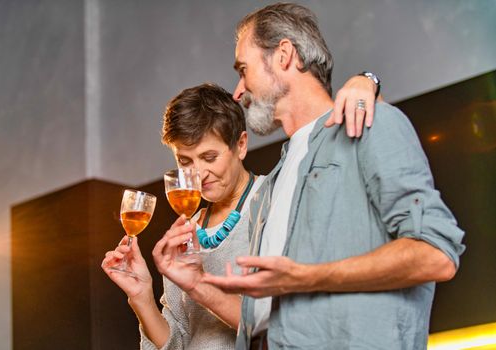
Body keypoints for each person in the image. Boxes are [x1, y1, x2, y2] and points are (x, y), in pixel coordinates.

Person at [202, 3, 466, 350]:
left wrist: (306, 277)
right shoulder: (270, 187)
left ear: (284, 55)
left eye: (243, 69)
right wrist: (194, 283)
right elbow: (264, 320)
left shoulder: (373, 123)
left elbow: (437, 253)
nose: (238, 91)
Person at [102, 78, 379, 349]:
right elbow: (176, 341)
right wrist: (141, 297)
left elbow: (285, 326)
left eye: (209, 158)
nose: (197, 174)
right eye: (185, 161)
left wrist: (366, 81)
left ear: (241, 145)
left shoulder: (276, 204)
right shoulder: (185, 229)